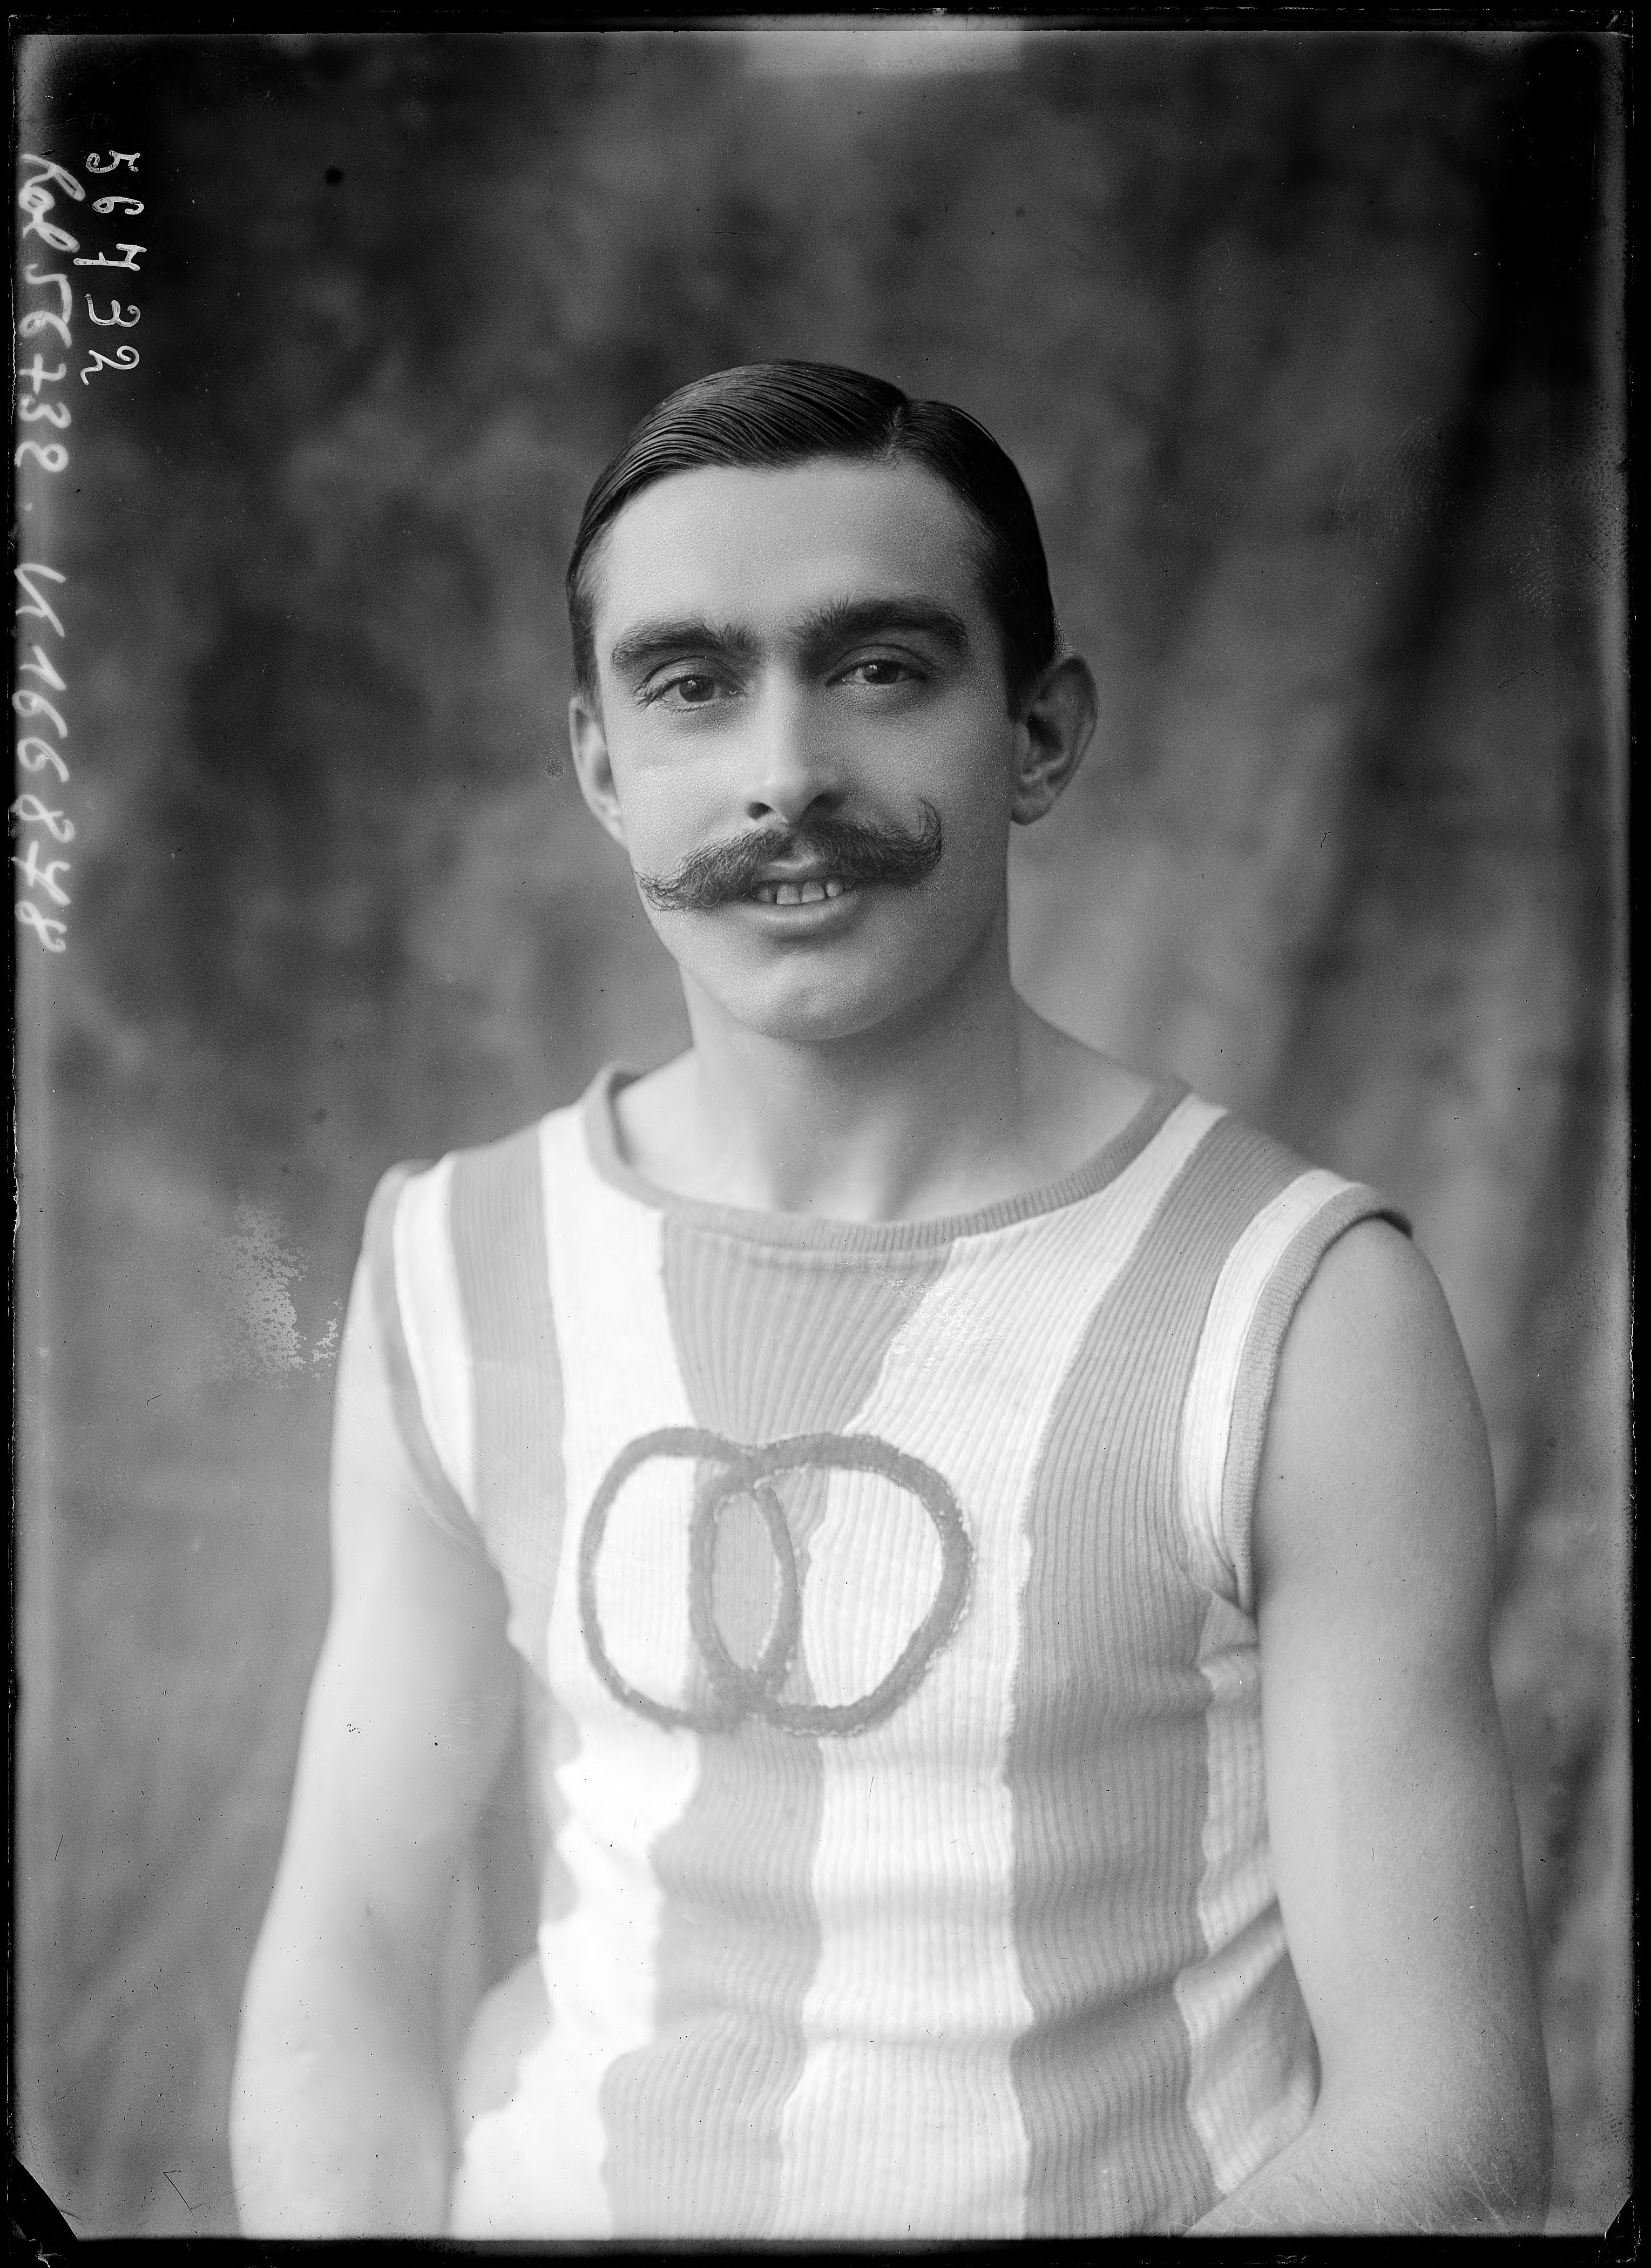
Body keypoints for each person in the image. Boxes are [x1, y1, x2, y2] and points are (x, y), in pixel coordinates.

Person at [229, 361, 1551, 2238]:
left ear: (1037, 735)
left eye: (876, 669)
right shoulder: (449, 1259)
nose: (784, 774)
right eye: (690, 685)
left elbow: (1449, 2135)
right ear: (600, 768)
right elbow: (351, 1960)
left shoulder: (1299, 1308)